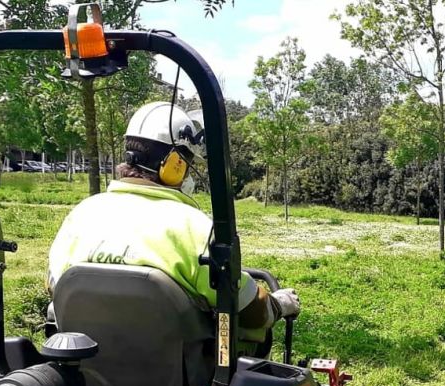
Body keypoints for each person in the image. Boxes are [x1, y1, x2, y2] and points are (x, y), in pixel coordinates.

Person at [47, 101, 300, 347]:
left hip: (84, 377)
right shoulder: (194, 227)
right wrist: (278, 304)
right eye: (187, 165)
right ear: (175, 164)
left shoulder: (81, 215)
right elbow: (249, 309)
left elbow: (54, 287)